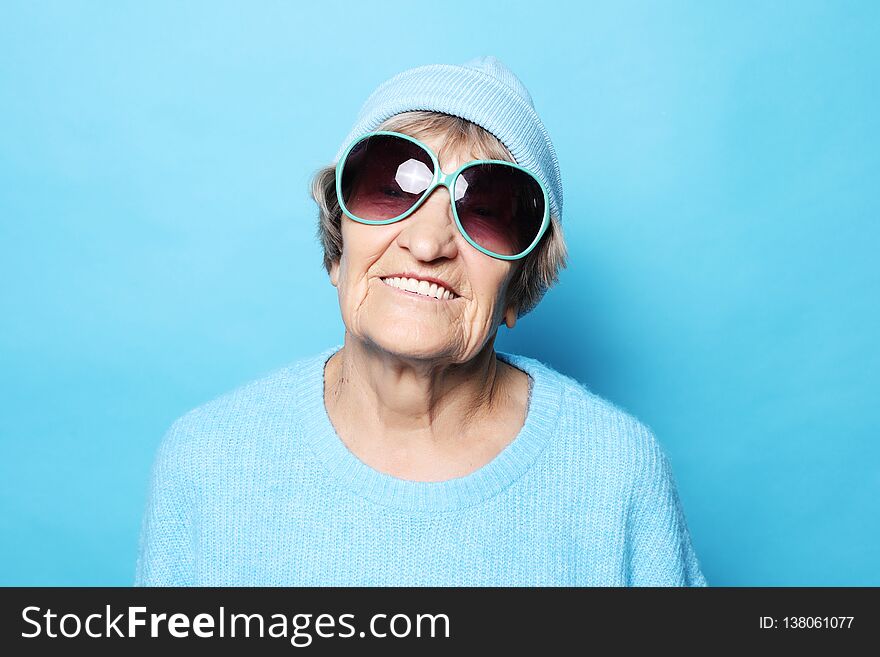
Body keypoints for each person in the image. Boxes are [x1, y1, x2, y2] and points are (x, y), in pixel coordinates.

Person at [134, 56, 708, 586]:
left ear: (519, 286)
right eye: (392, 188)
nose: (429, 242)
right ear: (339, 248)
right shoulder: (206, 462)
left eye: (484, 212)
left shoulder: (616, 474)